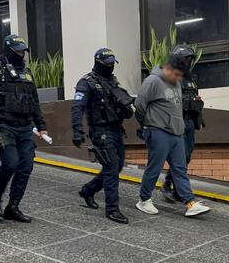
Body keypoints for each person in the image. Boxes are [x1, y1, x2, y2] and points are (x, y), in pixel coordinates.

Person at [0, 34, 48, 223]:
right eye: (18, 50)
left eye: (23, 50)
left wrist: (42, 126)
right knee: (10, 163)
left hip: (24, 126)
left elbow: (34, 101)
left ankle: (13, 206)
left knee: (26, 166)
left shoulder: (27, 72)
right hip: (1, 124)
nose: (22, 54)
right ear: (8, 49)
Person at [134, 55, 210, 217]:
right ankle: (144, 200)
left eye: (180, 76)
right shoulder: (152, 81)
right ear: (167, 68)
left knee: (180, 169)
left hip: (176, 133)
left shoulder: (175, 82)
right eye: (176, 74)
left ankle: (190, 203)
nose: (178, 78)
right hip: (158, 131)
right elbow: (139, 105)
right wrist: (147, 126)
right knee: (154, 167)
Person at [71, 48, 134, 224]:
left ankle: (88, 190)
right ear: (98, 63)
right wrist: (77, 130)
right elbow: (77, 107)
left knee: (116, 167)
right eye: (107, 64)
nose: (111, 66)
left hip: (116, 129)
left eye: (113, 63)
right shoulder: (86, 82)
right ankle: (112, 209)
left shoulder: (112, 81)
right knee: (112, 169)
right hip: (100, 132)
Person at [161, 45, 205, 202]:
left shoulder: (192, 79)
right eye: (186, 59)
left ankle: (177, 188)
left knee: (186, 157)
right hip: (176, 123)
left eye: (190, 59)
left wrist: (197, 104)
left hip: (190, 122)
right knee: (178, 158)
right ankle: (168, 185)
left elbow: (194, 97)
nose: (188, 62)